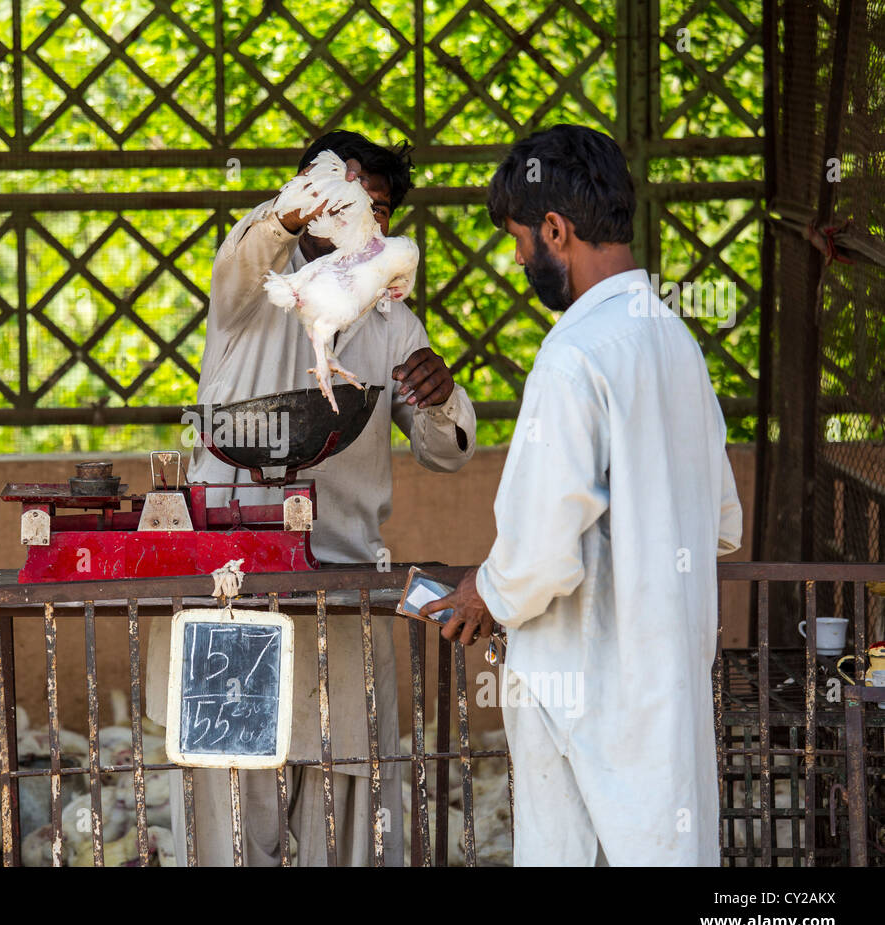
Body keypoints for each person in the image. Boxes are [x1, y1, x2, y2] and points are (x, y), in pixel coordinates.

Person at [145, 129, 478, 865]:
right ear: (303, 199)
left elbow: (445, 452)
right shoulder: (251, 285)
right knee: (229, 813)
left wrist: (440, 394)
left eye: (377, 207)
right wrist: (292, 213)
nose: (358, 217)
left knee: (350, 804)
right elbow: (249, 249)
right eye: (339, 197)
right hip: (230, 591)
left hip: (344, 592)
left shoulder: (393, 323)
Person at [422, 124, 743, 865]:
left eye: (519, 238)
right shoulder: (674, 340)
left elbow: (539, 558)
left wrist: (482, 591)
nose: (517, 258)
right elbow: (721, 522)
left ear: (556, 231)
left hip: (583, 688)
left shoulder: (573, 356)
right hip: (666, 692)